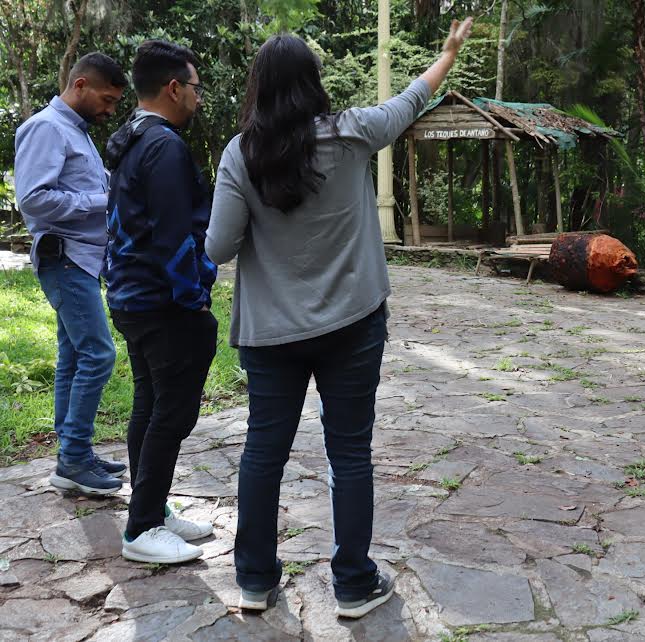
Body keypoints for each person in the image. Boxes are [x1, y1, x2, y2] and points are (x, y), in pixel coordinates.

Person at [206, 18, 473, 617]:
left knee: (262, 452)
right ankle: (353, 583)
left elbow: (218, 249)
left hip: (271, 333)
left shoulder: (239, 154)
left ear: (258, 88)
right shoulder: (354, 133)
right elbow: (412, 98)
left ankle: (253, 579)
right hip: (353, 325)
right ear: (313, 83)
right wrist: (449, 52)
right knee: (349, 452)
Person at [103, 40, 217, 564]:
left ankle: (153, 511)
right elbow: (174, 238)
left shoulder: (130, 138)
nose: (198, 97)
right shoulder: (165, 146)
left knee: (150, 404)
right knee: (171, 411)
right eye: (195, 87)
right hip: (161, 302)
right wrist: (194, 297)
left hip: (129, 296)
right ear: (174, 88)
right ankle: (143, 526)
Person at [14, 53, 129, 496]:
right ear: (80, 85)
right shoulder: (46, 128)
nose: (110, 109)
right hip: (64, 259)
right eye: (106, 99)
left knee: (74, 358)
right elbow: (34, 200)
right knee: (99, 355)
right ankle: (74, 459)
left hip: (80, 259)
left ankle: (73, 453)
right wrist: (104, 202)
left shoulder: (76, 131)